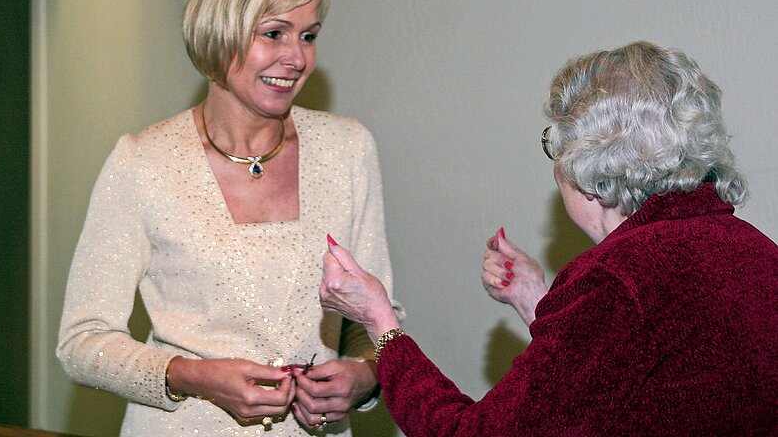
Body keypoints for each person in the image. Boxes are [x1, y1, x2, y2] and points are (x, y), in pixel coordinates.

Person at [319, 41, 778, 435]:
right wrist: (536, 300)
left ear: (589, 164)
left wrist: (380, 322)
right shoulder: (757, 252)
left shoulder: (617, 278)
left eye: (554, 145)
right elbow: (639, 375)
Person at [57, 0, 402, 436]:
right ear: (220, 31)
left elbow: (378, 319)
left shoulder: (347, 149)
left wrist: (365, 375)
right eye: (274, 33)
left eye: (308, 36)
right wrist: (193, 376)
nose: (297, 57)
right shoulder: (143, 161)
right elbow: (82, 342)